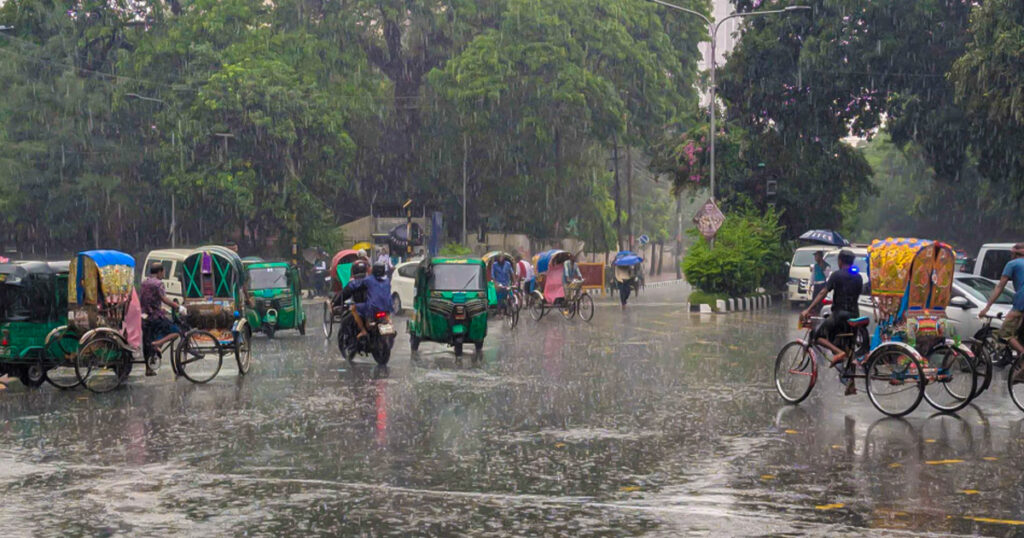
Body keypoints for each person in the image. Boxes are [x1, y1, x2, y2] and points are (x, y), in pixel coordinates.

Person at [801, 249, 862, 395]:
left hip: (839, 315)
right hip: (855, 316)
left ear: (840, 261)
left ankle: (837, 352)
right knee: (850, 349)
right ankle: (851, 384)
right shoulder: (858, 277)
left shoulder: (836, 275)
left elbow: (823, 292)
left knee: (816, 335)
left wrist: (809, 309)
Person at [979, 243, 1024, 366]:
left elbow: (1000, 287)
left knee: (1005, 333)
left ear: (1014, 254)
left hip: (1021, 303)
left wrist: (987, 307)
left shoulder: (1012, 264)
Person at [140, 262, 188, 376]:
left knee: (147, 341)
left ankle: (148, 369)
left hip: (144, 316)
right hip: (155, 316)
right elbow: (164, 298)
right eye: (163, 272)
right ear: (160, 272)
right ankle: (158, 344)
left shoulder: (144, 283)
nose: (163, 274)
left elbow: (149, 300)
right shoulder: (158, 283)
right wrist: (178, 307)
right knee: (176, 332)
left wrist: (163, 309)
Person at [336, 262, 391, 340]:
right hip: (386, 306)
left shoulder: (368, 280)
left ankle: (362, 330)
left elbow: (352, 288)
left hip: (371, 307)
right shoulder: (387, 280)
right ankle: (389, 322)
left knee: (354, 309)